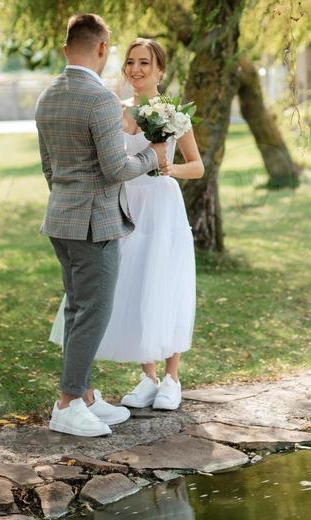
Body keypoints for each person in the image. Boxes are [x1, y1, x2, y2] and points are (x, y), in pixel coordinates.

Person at [50, 38, 203, 412]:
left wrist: (169, 168)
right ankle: (147, 377)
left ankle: (172, 378)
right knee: (133, 285)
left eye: (145, 63)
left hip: (162, 206)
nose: (136, 69)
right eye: (131, 62)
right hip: (123, 203)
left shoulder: (174, 113)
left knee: (164, 283)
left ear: (160, 70)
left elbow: (197, 166)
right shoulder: (112, 108)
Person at [36, 14, 168, 438]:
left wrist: (68, 196)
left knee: (78, 307)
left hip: (61, 219)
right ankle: (68, 403)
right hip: (95, 224)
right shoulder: (101, 100)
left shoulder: (47, 97)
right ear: (102, 49)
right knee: (93, 312)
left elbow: (48, 168)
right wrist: (154, 156)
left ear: (65, 49)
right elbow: (115, 168)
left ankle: (87, 396)